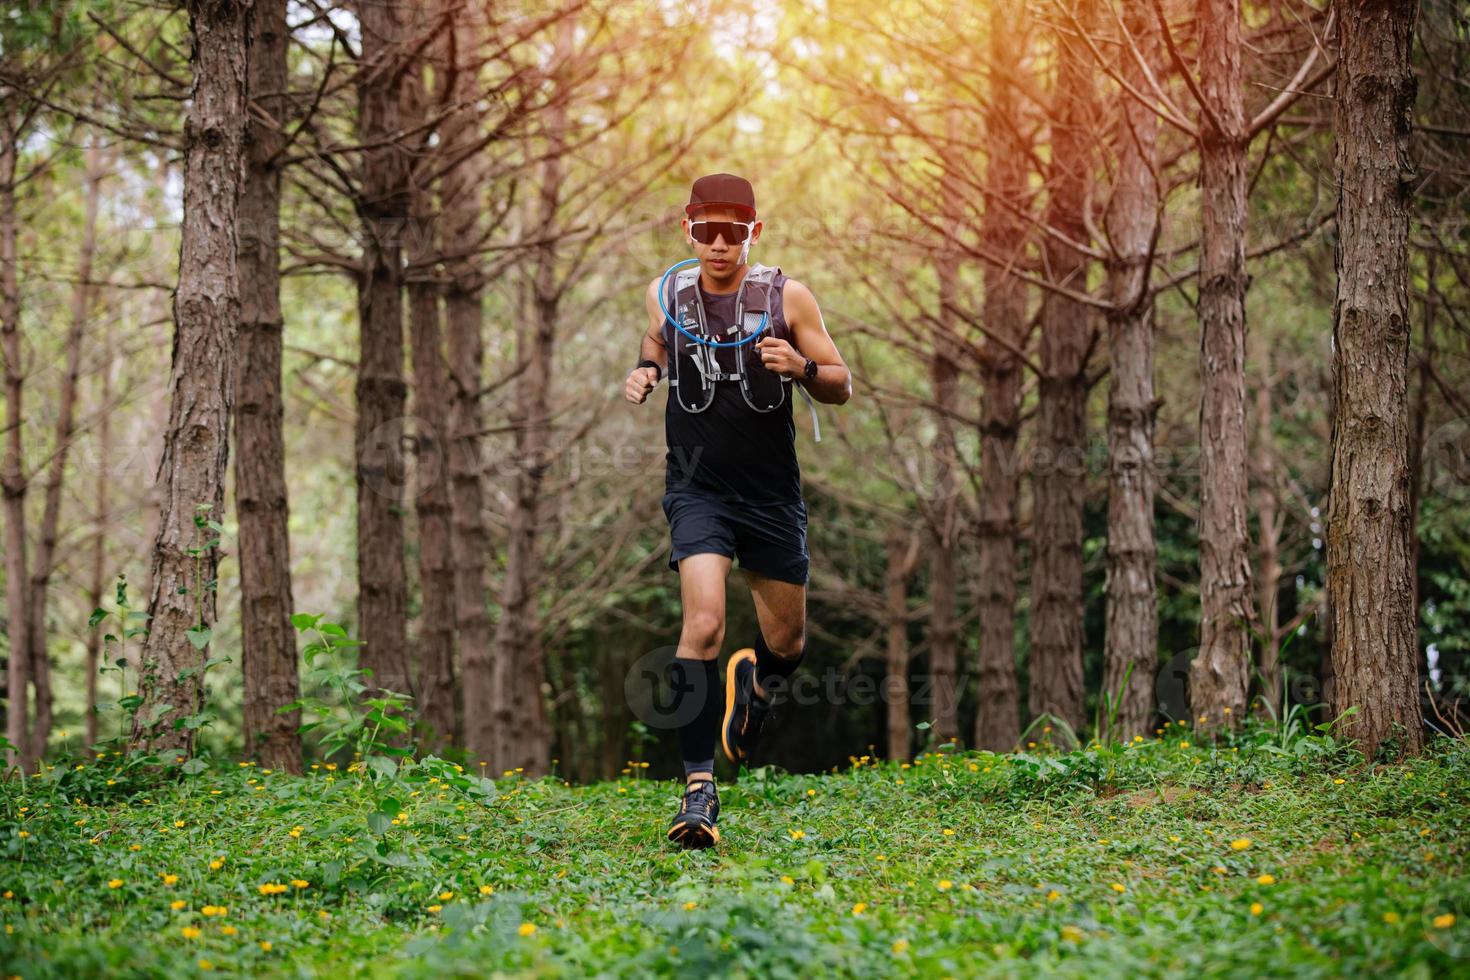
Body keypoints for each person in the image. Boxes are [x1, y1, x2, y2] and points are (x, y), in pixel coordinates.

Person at [624, 172, 852, 849]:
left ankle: (755, 682)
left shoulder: (788, 297)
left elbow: (842, 383)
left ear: (754, 231)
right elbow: (659, 338)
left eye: (733, 231)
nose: (719, 244)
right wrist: (646, 370)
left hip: (772, 494)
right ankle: (698, 792)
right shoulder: (667, 291)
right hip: (697, 489)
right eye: (705, 231)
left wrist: (802, 368)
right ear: (687, 231)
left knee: (788, 645)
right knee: (702, 623)